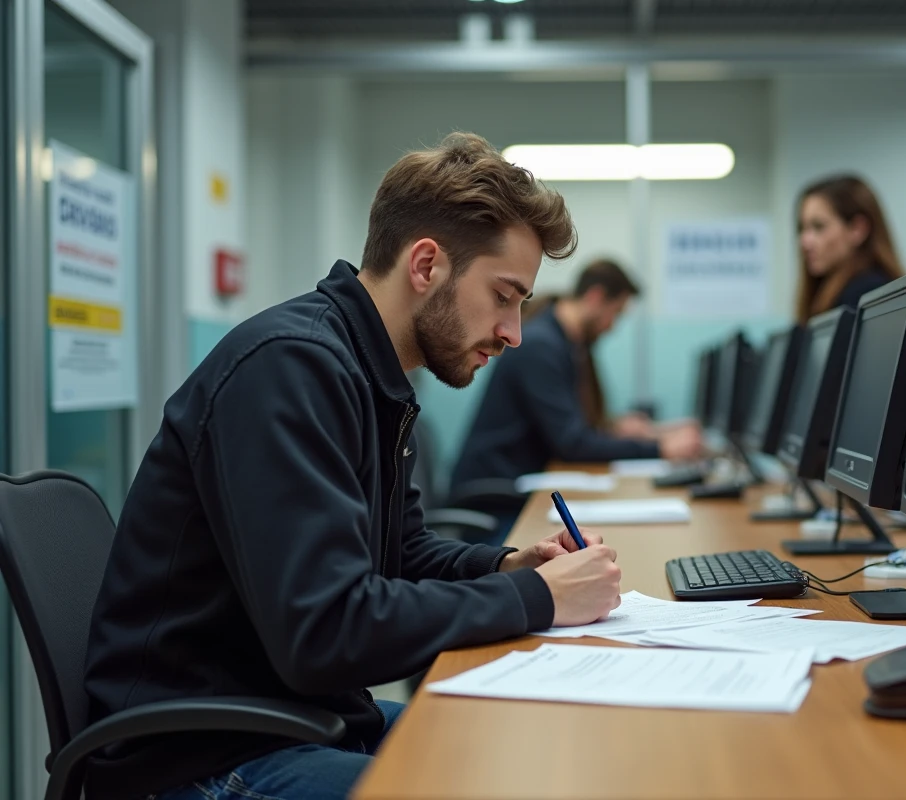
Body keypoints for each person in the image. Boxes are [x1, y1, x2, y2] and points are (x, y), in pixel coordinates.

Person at [82, 132, 624, 800]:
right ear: (426, 265)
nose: (514, 332)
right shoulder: (291, 369)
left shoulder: (367, 373)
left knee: (527, 754)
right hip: (199, 754)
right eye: (504, 296)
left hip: (292, 718)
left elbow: (400, 555)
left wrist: (508, 568)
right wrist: (538, 599)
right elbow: (325, 631)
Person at [450, 259, 705, 526]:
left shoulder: (564, 344)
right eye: (616, 313)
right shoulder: (541, 346)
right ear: (595, 297)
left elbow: (572, 426)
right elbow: (573, 443)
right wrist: (661, 448)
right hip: (495, 503)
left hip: (519, 491)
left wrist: (621, 429)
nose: (612, 326)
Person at [795, 174, 905, 321]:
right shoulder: (829, 294)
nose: (804, 242)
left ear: (857, 229)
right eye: (802, 228)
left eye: (819, 227)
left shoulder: (866, 295)